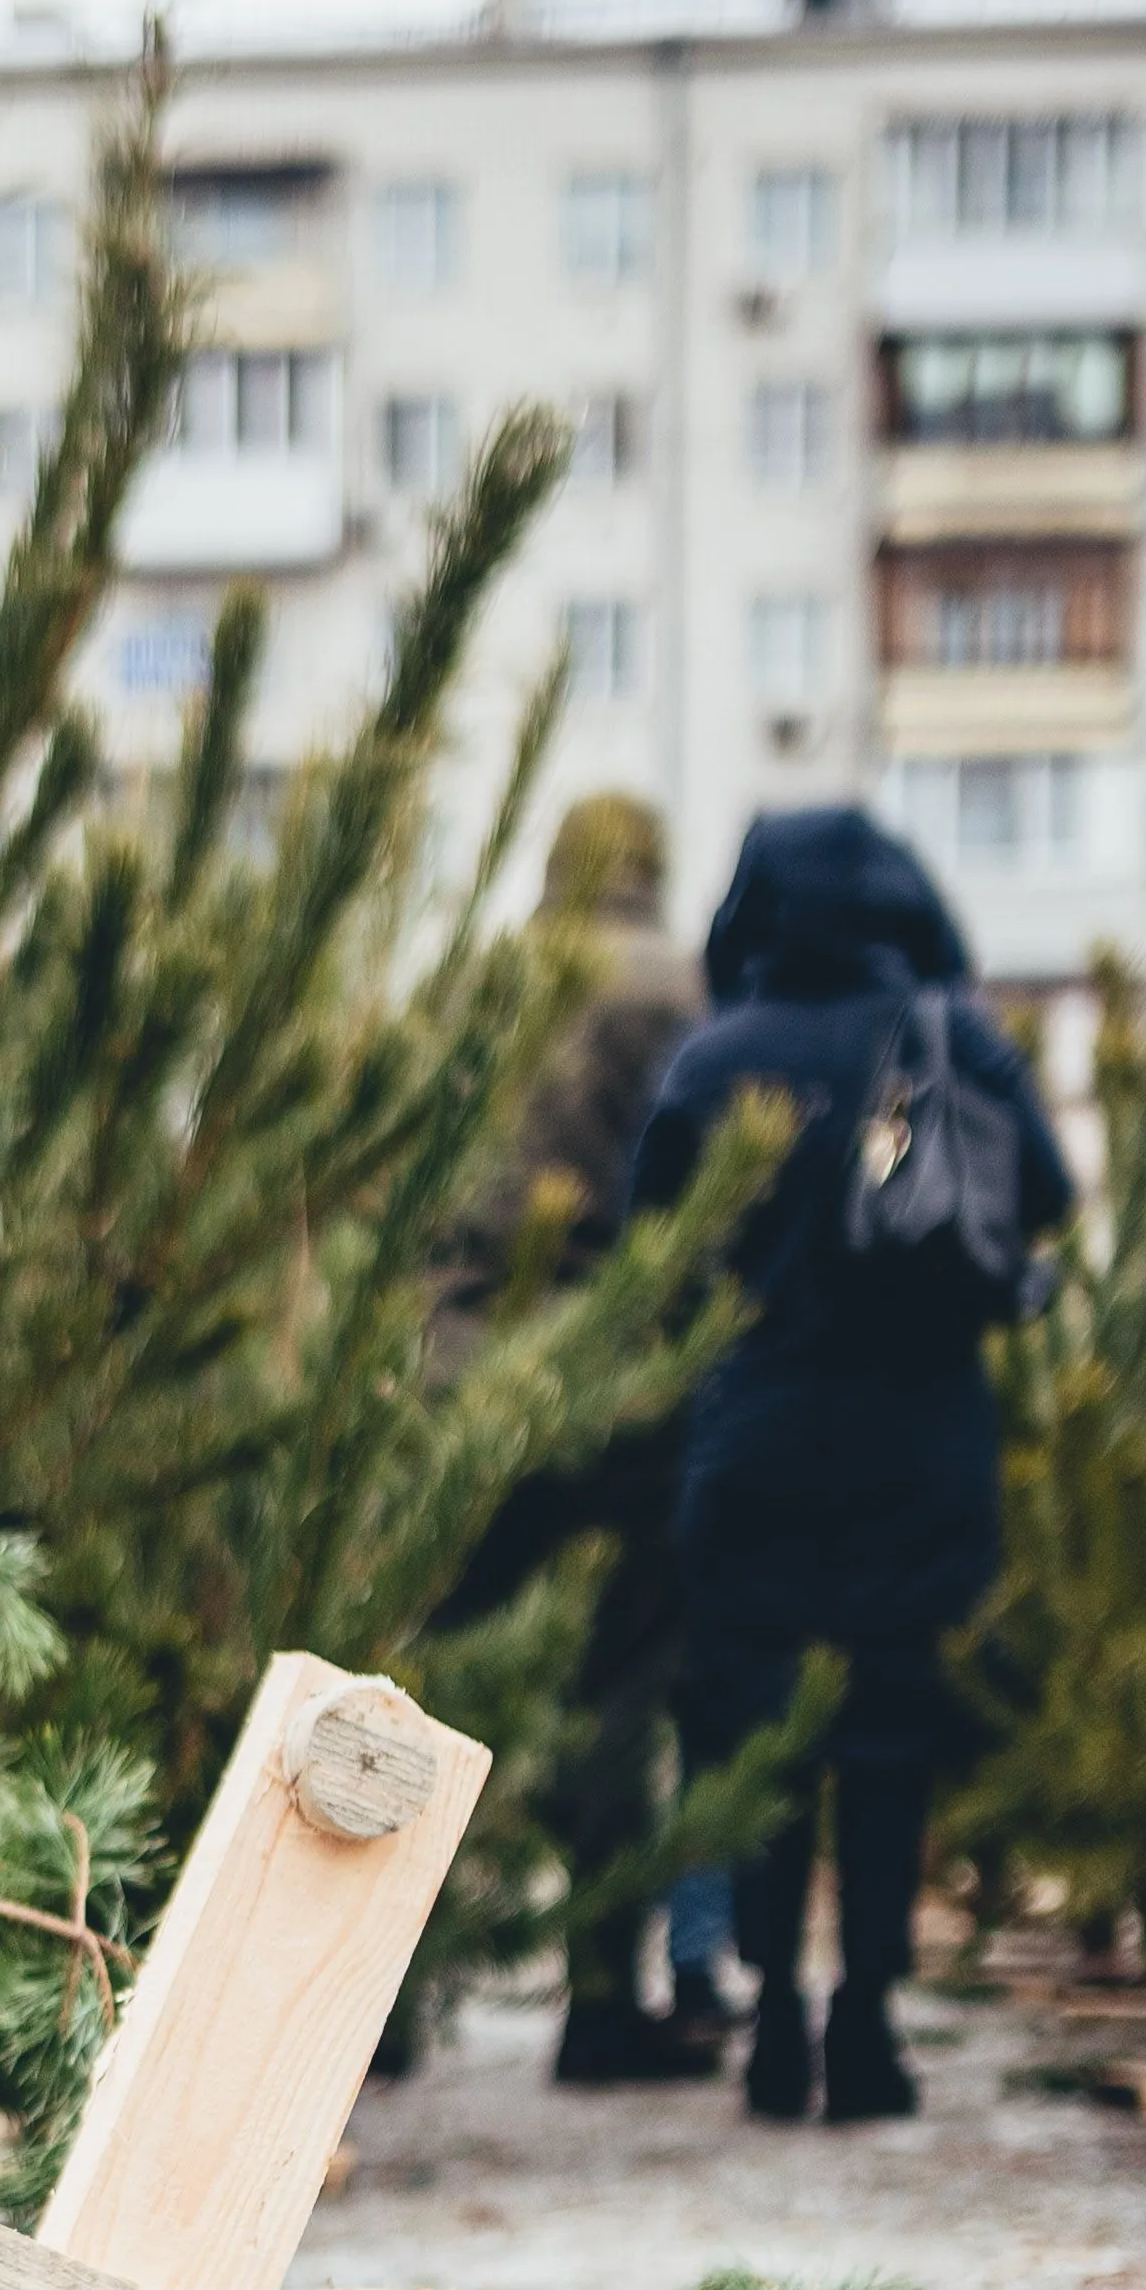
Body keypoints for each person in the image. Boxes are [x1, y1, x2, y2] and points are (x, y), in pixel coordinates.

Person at [631, 807, 1075, 2122]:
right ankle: (867, 2017)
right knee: (889, 1728)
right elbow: (1042, 1194)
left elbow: (650, 1243)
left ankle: (771, 2014)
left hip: (754, 1432)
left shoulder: (713, 1058)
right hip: (916, 1430)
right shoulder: (958, 1038)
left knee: (756, 1727)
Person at [479, 795, 730, 2082]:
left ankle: (385, 2011)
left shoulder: (479, 980)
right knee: (619, 1684)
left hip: (460, 1365)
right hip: (627, 1370)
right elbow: (703, 1183)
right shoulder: (683, 988)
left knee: (436, 1681)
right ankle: (597, 1999)